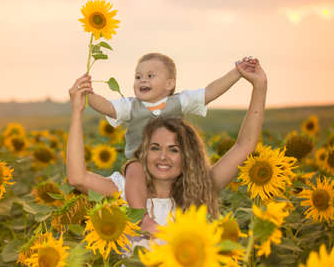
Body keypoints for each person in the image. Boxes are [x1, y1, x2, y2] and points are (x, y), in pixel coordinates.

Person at [66, 58, 266, 236]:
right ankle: (143, 220)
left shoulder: (200, 190)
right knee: (134, 168)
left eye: (173, 149)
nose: (163, 156)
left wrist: (260, 86)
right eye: (154, 148)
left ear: (187, 154)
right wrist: (78, 110)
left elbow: (244, 145)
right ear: (144, 152)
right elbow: (77, 178)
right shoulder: (124, 192)